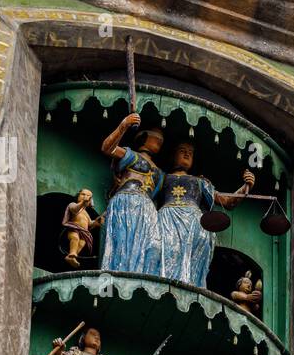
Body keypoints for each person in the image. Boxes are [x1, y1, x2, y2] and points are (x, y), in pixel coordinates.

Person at [148, 139, 254, 285]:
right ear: (172, 155)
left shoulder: (200, 181)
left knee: (191, 258)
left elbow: (228, 202)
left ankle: (189, 283)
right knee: (167, 253)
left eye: (190, 153)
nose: (187, 154)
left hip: (194, 223)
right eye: (182, 150)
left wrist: (245, 186)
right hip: (167, 221)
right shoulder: (162, 177)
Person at [99, 113, 164, 274]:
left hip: (148, 209)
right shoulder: (132, 155)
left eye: (162, 140)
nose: (159, 141)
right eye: (156, 136)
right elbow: (107, 147)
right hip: (126, 202)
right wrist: (124, 124)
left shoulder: (160, 173)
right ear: (143, 137)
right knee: (122, 243)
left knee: (152, 247)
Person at [61, 188, 102, 268]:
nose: (85, 197)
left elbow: (90, 223)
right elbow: (74, 210)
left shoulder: (86, 213)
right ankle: (72, 253)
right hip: (75, 228)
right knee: (75, 238)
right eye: (83, 194)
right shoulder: (73, 205)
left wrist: (97, 222)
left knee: (82, 243)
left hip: (84, 232)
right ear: (78, 196)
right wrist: (83, 202)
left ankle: (72, 257)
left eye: (88, 196)